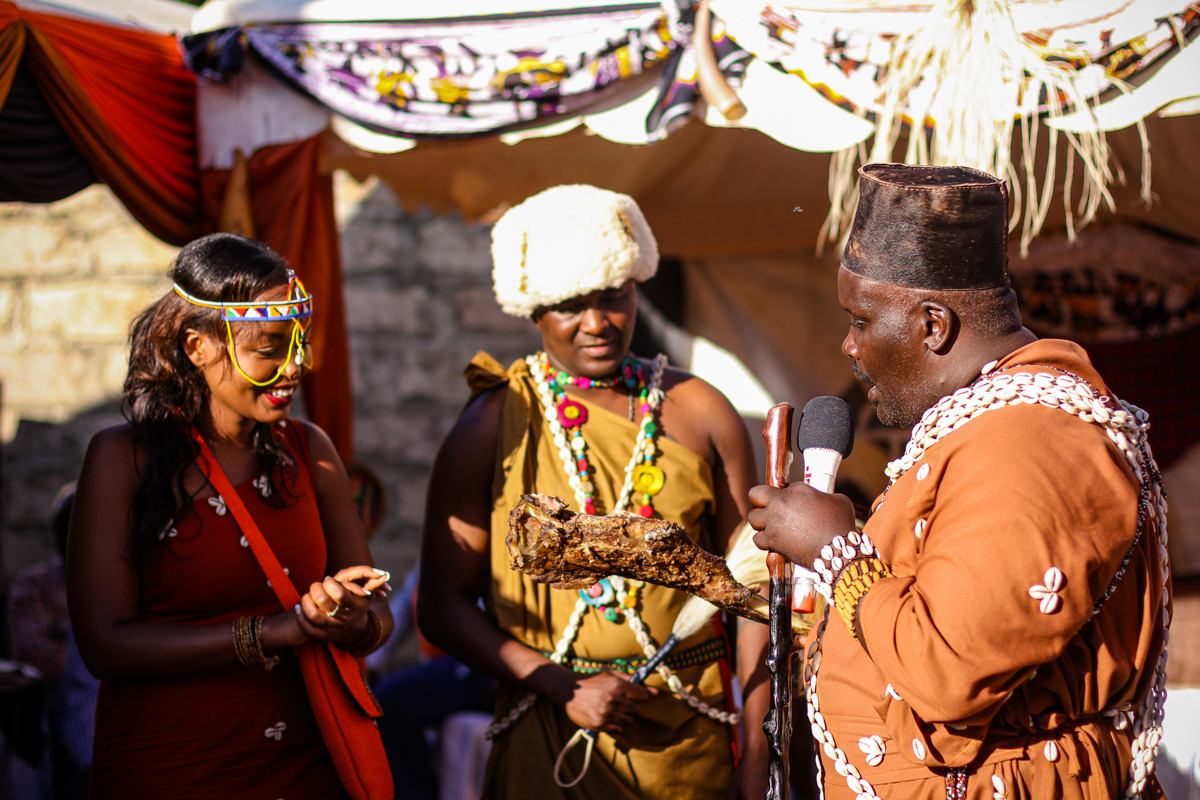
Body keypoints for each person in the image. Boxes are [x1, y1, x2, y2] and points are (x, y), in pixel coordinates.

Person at [748, 164, 1170, 799]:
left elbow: (947, 667)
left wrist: (834, 550)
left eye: (861, 320)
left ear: (933, 325)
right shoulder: (996, 425)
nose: (849, 347)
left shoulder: (1028, 444)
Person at [418, 184, 770, 799]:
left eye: (614, 296)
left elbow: (753, 590)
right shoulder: (489, 426)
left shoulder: (702, 411)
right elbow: (443, 606)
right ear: (534, 312)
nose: (597, 322)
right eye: (571, 305)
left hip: (691, 740)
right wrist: (563, 687)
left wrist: (759, 748)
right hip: (548, 735)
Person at [66, 233, 394, 798]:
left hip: (308, 768)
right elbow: (104, 646)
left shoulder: (308, 447)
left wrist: (348, 616)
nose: (295, 367)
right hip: (173, 770)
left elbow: (376, 622)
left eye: (300, 344)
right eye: (270, 347)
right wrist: (273, 632)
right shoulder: (123, 458)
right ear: (197, 347)